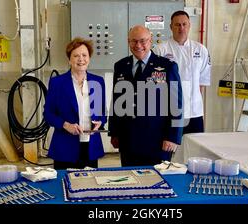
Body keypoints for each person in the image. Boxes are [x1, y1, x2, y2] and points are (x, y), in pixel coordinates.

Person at [108, 25, 183, 166]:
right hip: (128, 138)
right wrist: (114, 132)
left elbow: (176, 104)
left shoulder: (167, 66)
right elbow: (116, 100)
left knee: (157, 183)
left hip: (158, 140)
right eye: (134, 41)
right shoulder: (121, 66)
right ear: (128, 41)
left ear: (151, 41)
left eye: (143, 41)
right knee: (131, 181)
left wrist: (173, 136)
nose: (138, 45)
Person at [44, 37, 107, 170]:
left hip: (91, 147)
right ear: (69, 59)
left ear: (89, 58)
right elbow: (48, 114)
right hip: (65, 147)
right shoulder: (58, 83)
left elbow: (102, 113)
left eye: (84, 55)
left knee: (90, 185)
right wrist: (65, 125)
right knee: (65, 185)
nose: (81, 59)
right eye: (76, 56)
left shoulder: (98, 82)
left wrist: (100, 123)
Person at [153, 10, 211, 134]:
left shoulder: (201, 50)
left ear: (189, 25)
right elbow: (156, 84)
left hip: (194, 111)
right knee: (170, 149)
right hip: (169, 112)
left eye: (184, 24)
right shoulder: (160, 50)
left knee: (195, 148)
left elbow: (202, 82)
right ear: (171, 27)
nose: (181, 28)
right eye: (177, 25)